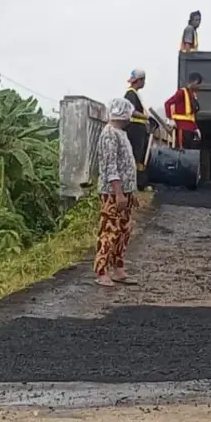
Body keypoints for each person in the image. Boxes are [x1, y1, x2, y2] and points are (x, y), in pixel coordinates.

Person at [94, 98, 139, 287]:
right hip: (112, 193)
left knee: (124, 231)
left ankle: (119, 268)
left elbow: (126, 165)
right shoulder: (109, 134)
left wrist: (130, 192)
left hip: (124, 191)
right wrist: (118, 193)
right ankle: (101, 270)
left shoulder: (121, 133)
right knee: (110, 231)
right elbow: (111, 166)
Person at [124, 68, 151, 189]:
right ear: (139, 81)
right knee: (135, 155)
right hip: (134, 129)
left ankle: (140, 182)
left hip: (139, 128)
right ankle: (133, 182)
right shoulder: (131, 94)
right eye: (143, 80)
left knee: (140, 156)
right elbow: (131, 111)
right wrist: (147, 117)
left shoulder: (134, 93)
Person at [164, 72, 202, 148]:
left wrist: (196, 128)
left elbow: (191, 115)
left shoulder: (192, 95)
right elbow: (167, 103)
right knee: (182, 151)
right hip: (182, 128)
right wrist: (170, 119)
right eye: (198, 84)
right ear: (194, 82)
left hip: (190, 128)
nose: (199, 86)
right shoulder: (181, 92)